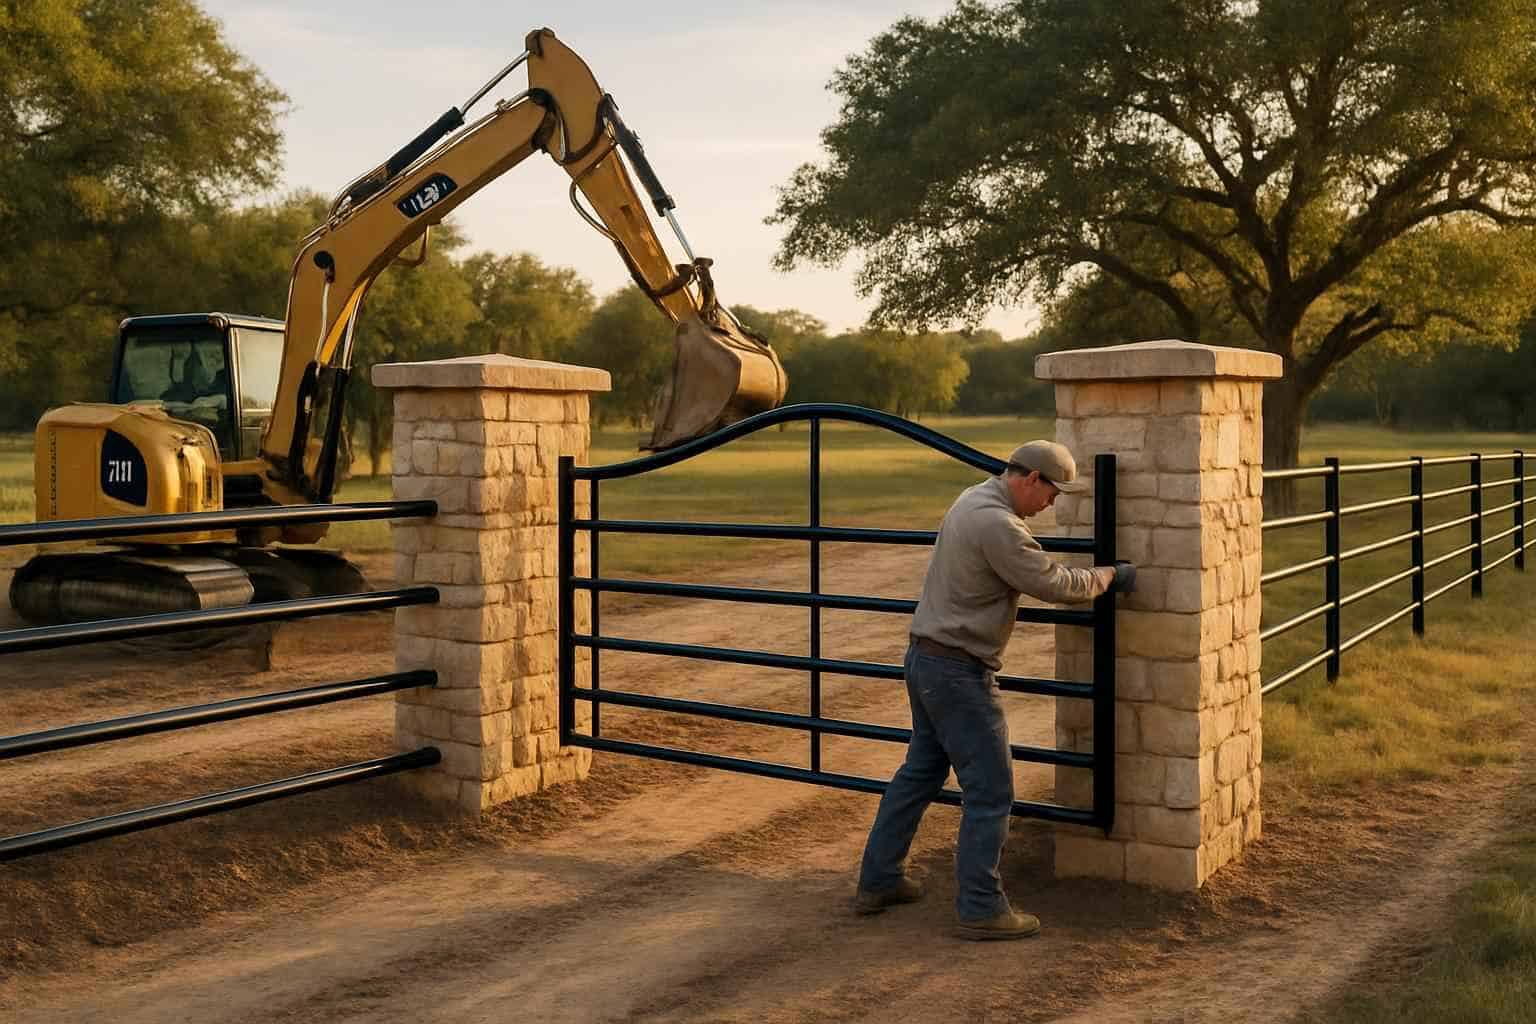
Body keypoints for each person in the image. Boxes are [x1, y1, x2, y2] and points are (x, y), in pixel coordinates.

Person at [854, 439, 1135, 940]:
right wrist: (1109, 576)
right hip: (958, 671)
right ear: (1030, 479)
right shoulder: (999, 525)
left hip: (926, 657)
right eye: (1052, 493)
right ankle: (981, 906)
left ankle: (879, 879)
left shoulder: (972, 498)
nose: (1052, 504)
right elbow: (1055, 584)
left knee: (921, 771)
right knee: (991, 788)